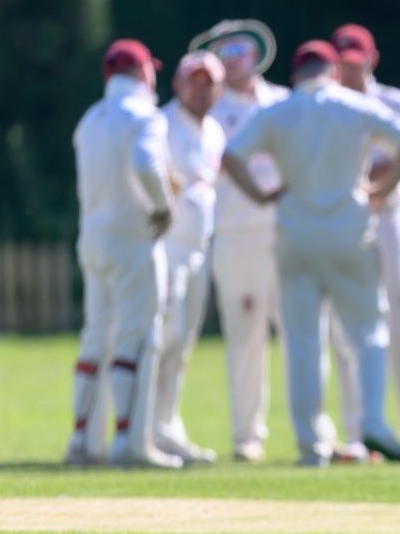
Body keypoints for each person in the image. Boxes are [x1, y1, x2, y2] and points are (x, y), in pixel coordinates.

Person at [221, 40, 400, 467]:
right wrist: (381, 189)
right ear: (333, 71)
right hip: (350, 231)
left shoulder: (277, 112)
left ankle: (311, 443)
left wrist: (260, 196)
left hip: (296, 235)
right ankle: (372, 422)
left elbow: (232, 157)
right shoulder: (354, 106)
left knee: (303, 341)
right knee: (367, 332)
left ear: (296, 75)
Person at [67, 39, 182, 469]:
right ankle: (129, 443)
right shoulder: (145, 116)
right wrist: (164, 208)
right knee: (137, 336)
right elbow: (146, 165)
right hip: (132, 238)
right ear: (143, 72)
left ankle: (82, 439)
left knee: (96, 337)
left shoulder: (89, 120)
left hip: (93, 238)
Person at [330, 23, 400, 453]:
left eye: (354, 63)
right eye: (341, 64)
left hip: (391, 218)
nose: (347, 71)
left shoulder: (396, 102)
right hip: (346, 224)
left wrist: (370, 176)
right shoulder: (327, 107)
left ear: (371, 60)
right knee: (349, 329)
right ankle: (359, 429)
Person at [189, 20, 289, 462]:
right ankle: (248, 435)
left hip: (286, 233)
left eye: (241, 53)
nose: (234, 63)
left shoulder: (283, 101)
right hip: (235, 234)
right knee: (245, 339)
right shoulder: (209, 113)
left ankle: (314, 431)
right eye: (225, 55)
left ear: (257, 56)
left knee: (303, 335)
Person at [151, 51, 228, 465]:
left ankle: (168, 424)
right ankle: (151, 429)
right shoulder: (161, 124)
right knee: (167, 337)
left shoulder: (215, 131)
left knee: (183, 343)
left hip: (200, 249)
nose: (200, 90)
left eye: (208, 83)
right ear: (177, 85)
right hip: (168, 247)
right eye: (193, 82)